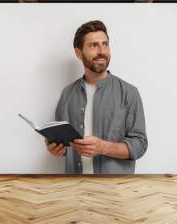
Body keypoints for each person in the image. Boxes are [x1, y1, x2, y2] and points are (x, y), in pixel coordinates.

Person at [45, 20, 147, 174]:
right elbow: (66, 144)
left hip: (114, 190)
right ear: (78, 53)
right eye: (93, 45)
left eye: (105, 44)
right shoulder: (67, 94)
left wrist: (104, 147)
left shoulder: (129, 93)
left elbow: (139, 145)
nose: (102, 51)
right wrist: (56, 147)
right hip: (74, 187)